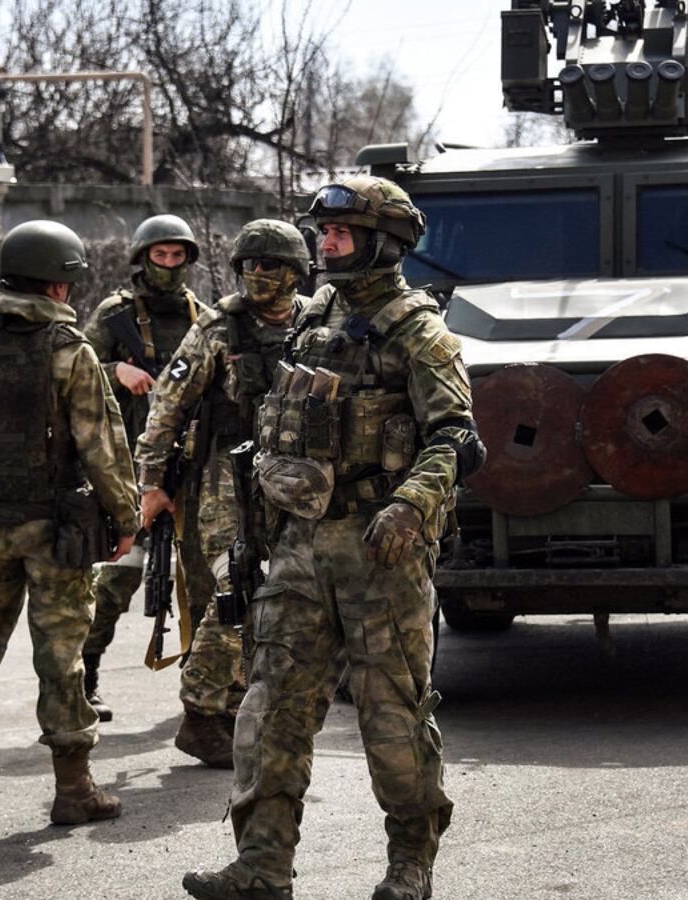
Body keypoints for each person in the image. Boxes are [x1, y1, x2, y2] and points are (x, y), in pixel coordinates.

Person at [182, 176, 485, 900]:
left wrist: (411, 505)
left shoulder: (419, 331)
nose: (326, 244)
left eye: (340, 234)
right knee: (269, 708)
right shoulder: (312, 318)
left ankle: (410, 865)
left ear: (384, 244)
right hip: (298, 547)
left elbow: (456, 438)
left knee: (393, 719)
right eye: (324, 233)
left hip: (381, 552)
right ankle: (261, 867)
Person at [0, 220, 140, 825]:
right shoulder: (72, 352)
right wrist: (125, 516)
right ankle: (74, 792)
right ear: (61, 287)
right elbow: (102, 446)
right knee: (61, 659)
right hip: (54, 533)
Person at [136, 219, 313, 768]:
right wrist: (151, 483)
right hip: (225, 481)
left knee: (285, 595)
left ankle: (240, 703)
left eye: (270, 265)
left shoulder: (315, 322)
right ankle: (199, 711)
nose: (258, 275)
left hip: (295, 480)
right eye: (249, 266)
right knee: (236, 590)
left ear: (295, 272)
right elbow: (167, 407)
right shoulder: (216, 329)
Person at [80, 214, 211, 720]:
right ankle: (85, 678)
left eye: (179, 257)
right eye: (161, 256)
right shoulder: (115, 314)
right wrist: (118, 370)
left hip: (190, 466)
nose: (170, 265)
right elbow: (78, 370)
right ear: (143, 258)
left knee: (198, 581)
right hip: (127, 469)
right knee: (116, 580)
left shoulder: (203, 317)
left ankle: (201, 686)